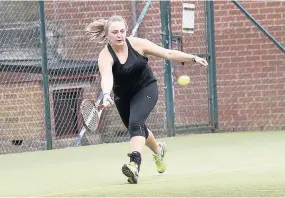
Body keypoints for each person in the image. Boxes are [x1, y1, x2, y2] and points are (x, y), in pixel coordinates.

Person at [86, 15, 208, 184]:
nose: (119, 35)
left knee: (135, 124)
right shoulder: (105, 55)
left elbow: (168, 53)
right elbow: (106, 77)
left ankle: (134, 164)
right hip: (123, 96)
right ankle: (159, 150)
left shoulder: (137, 44)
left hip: (146, 88)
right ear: (107, 35)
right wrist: (106, 94)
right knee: (138, 128)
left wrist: (193, 58)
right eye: (115, 32)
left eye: (122, 31)